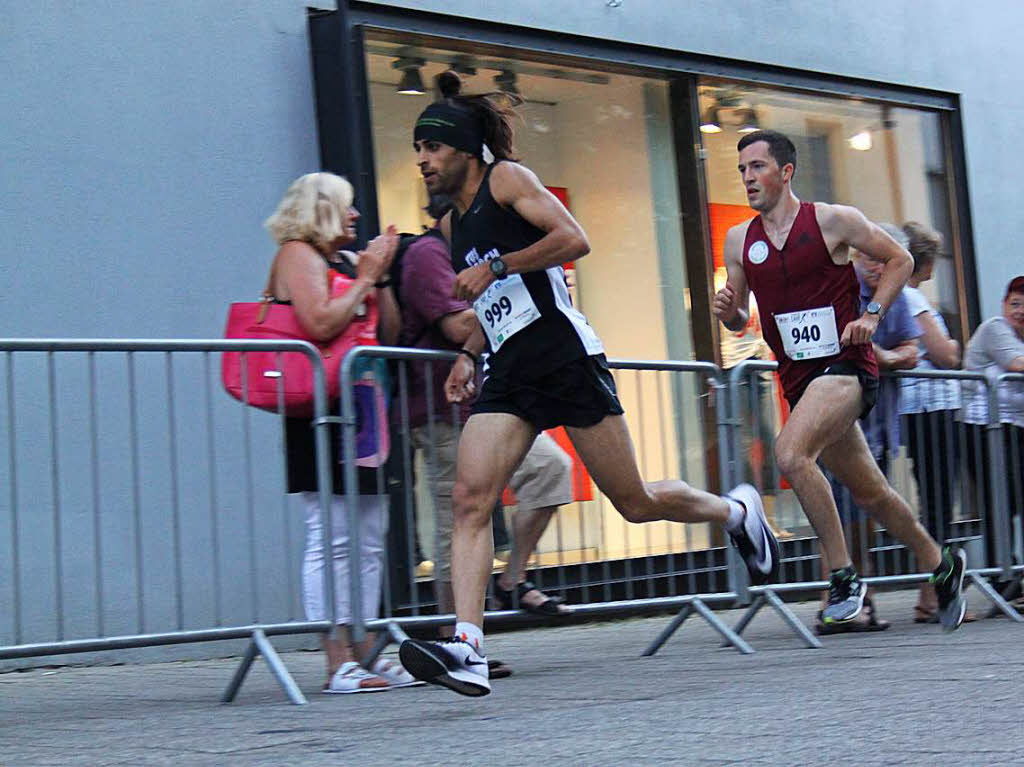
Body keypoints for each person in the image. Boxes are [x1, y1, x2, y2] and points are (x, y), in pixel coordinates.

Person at [398, 73, 779, 697]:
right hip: (511, 370)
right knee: (470, 498)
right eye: (417, 150)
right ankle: (467, 643)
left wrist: (497, 264)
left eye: (431, 148)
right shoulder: (454, 221)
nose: (422, 161)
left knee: (633, 502)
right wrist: (469, 352)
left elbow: (576, 238)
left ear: (463, 148)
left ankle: (736, 511)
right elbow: (494, 302)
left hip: (564, 357)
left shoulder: (506, 181)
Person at [712, 129, 967, 633]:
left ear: (786, 173)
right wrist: (729, 311)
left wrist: (871, 314)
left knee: (790, 454)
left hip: (849, 369)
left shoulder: (833, 220)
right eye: (742, 170)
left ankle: (844, 576)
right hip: (801, 381)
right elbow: (739, 318)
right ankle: (942, 565)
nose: (748, 178)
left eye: (757, 167)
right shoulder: (740, 240)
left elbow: (901, 260)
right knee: (872, 492)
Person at [264, 172, 420, 693]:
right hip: (318, 409)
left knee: (371, 534)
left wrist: (380, 279)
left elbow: (390, 333)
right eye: (348, 207)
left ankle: (366, 648)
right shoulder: (297, 254)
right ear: (322, 208)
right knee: (330, 533)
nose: (356, 217)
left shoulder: (347, 264)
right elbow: (320, 324)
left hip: (362, 405)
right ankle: (337, 659)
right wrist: (364, 277)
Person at [396, 195, 574, 620]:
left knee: (551, 469)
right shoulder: (427, 255)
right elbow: (458, 325)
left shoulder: (479, 250)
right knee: (455, 520)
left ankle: (512, 580)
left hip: (492, 400)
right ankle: (454, 636)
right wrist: (531, 300)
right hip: (443, 409)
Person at [817, 223, 921, 634]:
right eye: (871, 257)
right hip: (837, 422)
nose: (877, 266)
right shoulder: (841, 287)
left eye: (884, 258)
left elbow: (912, 351)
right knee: (834, 512)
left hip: (877, 424)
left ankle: (864, 596)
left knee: (866, 513)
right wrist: (880, 356)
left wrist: (884, 357)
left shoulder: (894, 298)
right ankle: (833, 601)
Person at [897, 221, 963, 623]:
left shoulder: (909, 298)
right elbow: (947, 356)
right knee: (938, 500)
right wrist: (951, 342)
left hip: (926, 409)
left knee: (935, 500)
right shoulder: (913, 300)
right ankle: (932, 594)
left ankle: (931, 592)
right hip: (930, 409)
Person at [961, 275, 1024, 602]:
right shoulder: (995, 328)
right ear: (1003, 305)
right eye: (1015, 303)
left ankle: (1006, 574)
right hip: (983, 428)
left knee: (1010, 500)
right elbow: (1016, 364)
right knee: (1001, 500)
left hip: (1013, 429)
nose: (1020, 311)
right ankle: (1003, 578)